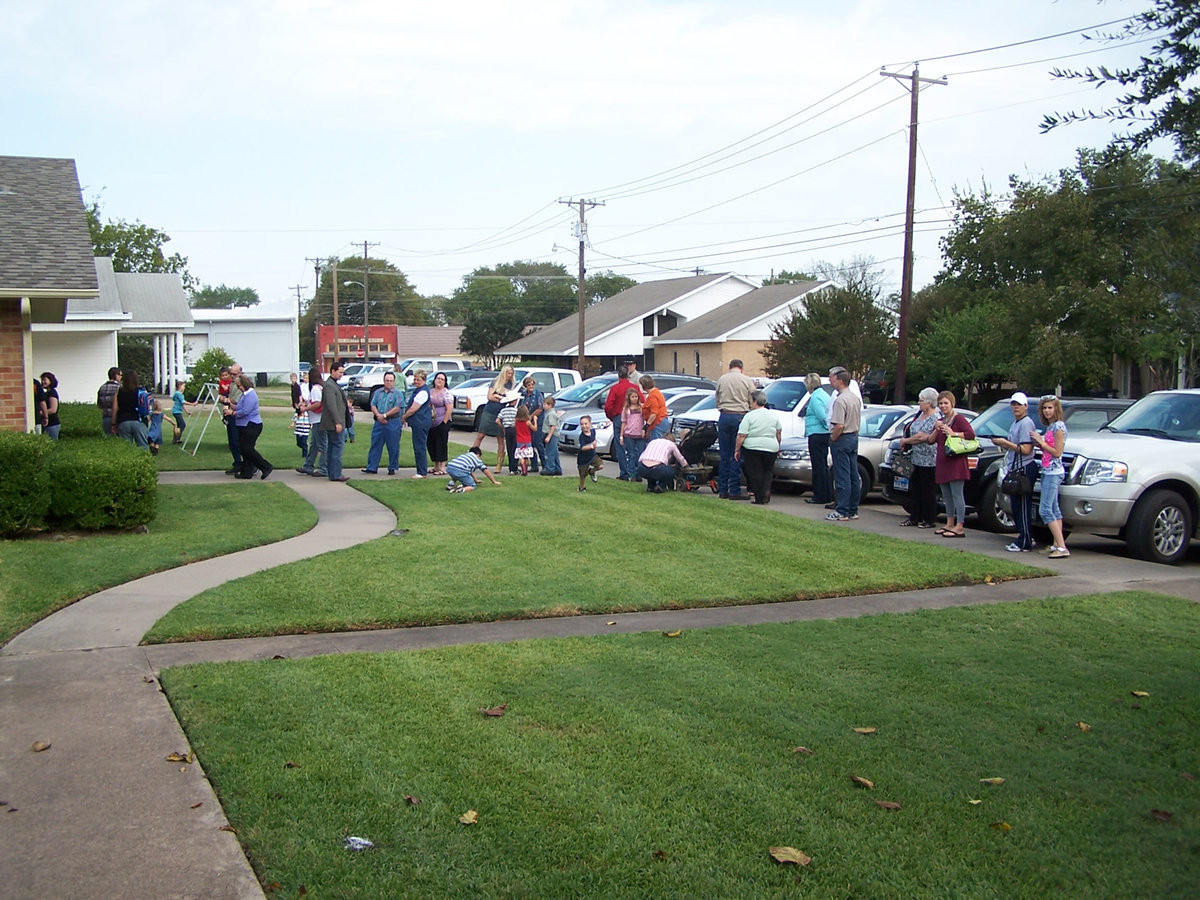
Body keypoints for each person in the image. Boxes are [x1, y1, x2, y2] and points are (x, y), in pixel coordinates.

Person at [993, 391, 1038, 551]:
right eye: (1013, 404)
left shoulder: (1026, 423)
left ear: (1026, 406)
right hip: (1015, 467)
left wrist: (1006, 443)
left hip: (1024, 468)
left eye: (1019, 404)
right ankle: (1025, 536)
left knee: (1023, 506)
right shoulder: (1016, 423)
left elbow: (1026, 449)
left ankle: (1025, 541)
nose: (1016, 407)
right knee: (1015, 506)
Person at [933, 389, 976, 539]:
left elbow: (971, 435)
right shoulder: (941, 420)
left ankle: (960, 525)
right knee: (946, 495)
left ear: (952, 403)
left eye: (946, 403)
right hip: (943, 461)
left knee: (957, 494)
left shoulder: (959, 419)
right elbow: (932, 440)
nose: (943, 406)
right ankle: (949, 522)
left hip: (956, 462)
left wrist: (954, 433)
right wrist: (937, 428)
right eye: (941, 403)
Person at [896, 387, 941, 528]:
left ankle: (929, 519)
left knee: (928, 490)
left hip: (929, 459)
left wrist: (906, 441)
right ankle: (915, 516)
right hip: (915, 458)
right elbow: (911, 430)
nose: (919, 403)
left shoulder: (935, 417)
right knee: (915, 489)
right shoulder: (919, 415)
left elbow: (922, 436)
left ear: (929, 402)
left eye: (921, 400)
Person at [1033, 395, 1070, 559]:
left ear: (1056, 409)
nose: (1047, 411)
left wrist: (1041, 443)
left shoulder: (1059, 427)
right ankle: (1056, 543)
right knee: (1054, 509)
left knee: (1045, 509)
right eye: (1044, 408)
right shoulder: (1051, 427)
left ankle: (1062, 547)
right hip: (1047, 470)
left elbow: (1057, 452)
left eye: (1050, 408)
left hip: (1054, 472)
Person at [715, 359, 756, 500]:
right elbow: (753, 399)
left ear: (730, 367)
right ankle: (734, 490)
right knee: (736, 453)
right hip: (740, 416)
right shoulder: (746, 380)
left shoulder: (722, 379)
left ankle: (722, 489)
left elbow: (717, 398)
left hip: (724, 416)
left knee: (724, 455)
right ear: (741, 369)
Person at [826, 368, 861, 521]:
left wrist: (833, 438)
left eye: (832, 378)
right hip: (853, 436)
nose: (830, 381)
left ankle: (842, 510)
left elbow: (839, 425)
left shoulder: (840, 400)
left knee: (842, 477)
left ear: (840, 380)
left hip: (843, 438)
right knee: (854, 475)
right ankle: (853, 509)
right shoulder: (855, 398)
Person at [735, 390, 781, 504]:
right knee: (767, 471)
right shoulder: (773, 415)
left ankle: (759, 498)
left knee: (755, 473)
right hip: (771, 447)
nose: (750, 404)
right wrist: (778, 444)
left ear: (755, 402)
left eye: (751, 401)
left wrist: (737, 449)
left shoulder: (749, 416)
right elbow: (778, 432)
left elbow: (741, 435)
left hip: (753, 447)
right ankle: (766, 490)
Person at [227, 374, 272, 479]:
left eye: (239, 386)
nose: (239, 388)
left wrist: (232, 413)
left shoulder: (251, 395)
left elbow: (245, 411)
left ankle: (265, 466)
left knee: (247, 448)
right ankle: (246, 472)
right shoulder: (245, 394)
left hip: (252, 425)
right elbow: (240, 407)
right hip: (244, 425)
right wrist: (231, 405)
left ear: (244, 384)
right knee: (244, 449)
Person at [603, 365, 643, 480]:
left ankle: (625, 473)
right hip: (634, 417)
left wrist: (612, 417)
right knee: (635, 448)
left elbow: (608, 406)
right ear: (628, 374)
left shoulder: (615, 388)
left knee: (621, 447)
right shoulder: (634, 387)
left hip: (619, 416)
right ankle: (636, 472)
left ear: (618, 375)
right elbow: (643, 402)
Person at [362, 371, 404, 475]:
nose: (389, 382)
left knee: (393, 445)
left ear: (394, 382)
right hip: (379, 422)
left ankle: (392, 467)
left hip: (393, 422)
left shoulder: (398, 394)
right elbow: (373, 405)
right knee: (375, 444)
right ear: (383, 381)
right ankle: (372, 467)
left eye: (391, 381)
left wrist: (385, 415)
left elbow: (397, 408)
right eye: (387, 380)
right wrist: (378, 416)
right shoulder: (378, 392)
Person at [475, 366, 516, 466]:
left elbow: (510, 398)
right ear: (504, 373)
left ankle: (499, 463)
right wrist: (500, 397)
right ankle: (473, 456)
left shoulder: (511, 384)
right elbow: (490, 396)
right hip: (489, 411)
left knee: (500, 438)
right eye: (508, 373)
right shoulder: (495, 381)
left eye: (511, 374)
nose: (509, 376)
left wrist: (498, 396)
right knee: (481, 435)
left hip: (501, 412)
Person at [803, 373, 832, 505]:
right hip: (823, 434)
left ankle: (819, 495)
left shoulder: (815, 397)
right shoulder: (825, 395)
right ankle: (826, 494)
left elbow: (821, 416)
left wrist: (827, 427)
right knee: (823, 465)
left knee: (818, 466)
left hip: (817, 434)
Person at [319, 361, 349, 481]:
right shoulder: (329, 386)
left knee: (332, 447)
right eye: (340, 372)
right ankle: (336, 473)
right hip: (334, 423)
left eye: (342, 372)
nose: (342, 374)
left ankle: (333, 473)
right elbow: (331, 406)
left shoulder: (333, 384)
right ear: (333, 371)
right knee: (337, 447)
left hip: (336, 422)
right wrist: (337, 422)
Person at [400, 370, 432, 478]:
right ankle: (421, 470)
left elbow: (414, 408)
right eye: (415, 379)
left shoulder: (423, 392)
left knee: (420, 447)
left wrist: (404, 417)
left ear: (424, 380)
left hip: (421, 422)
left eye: (418, 380)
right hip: (418, 422)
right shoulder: (418, 390)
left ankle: (422, 472)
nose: (416, 382)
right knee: (418, 446)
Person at [296, 368, 327, 476]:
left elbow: (317, 404)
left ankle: (324, 468)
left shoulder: (315, 389)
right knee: (314, 444)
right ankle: (308, 465)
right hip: (317, 420)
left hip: (318, 420)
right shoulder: (320, 387)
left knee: (323, 445)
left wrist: (305, 409)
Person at [112, 369, 149, 448]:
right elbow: (147, 407)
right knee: (143, 446)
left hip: (123, 421)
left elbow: (115, 409)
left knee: (126, 448)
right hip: (138, 421)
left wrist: (113, 424)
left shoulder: (119, 391)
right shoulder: (141, 391)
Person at [427, 372, 455, 476]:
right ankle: (436, 466)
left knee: (441, 443)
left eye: (442, 379)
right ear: (434, 380)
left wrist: (444, 422)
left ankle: (442, 467)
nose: (440, 381)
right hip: (431, 422)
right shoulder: (430, 392)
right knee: (431, 443)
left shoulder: (446, 393)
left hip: (443, 421)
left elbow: (449, 409)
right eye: (438, 378)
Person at [619, 388, 647, 481]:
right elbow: (623, 422)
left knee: (641, 455)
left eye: (636, 397)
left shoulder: (642, 407)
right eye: (632, 397)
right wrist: (621, 435)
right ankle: (632, 474)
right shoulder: (625, 409)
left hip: (640, 434)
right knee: (631, 455)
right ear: (629, 398)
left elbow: (647, 418)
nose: (634, 399)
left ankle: (640, 474)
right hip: (629, 434)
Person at [221, 363, 245, 475]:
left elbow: (235, 401)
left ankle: (249, 464)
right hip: (230, 415)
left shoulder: (243, 385)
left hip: (238, 416)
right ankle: (237, 463)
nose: (232, 376)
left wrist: (226, 400)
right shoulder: (232, 384)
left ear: (240, 373)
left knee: (238, 441)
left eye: (234, 374)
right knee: (232, 442)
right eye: (231, 374)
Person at [519, 376, 545, 473]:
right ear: (525, 386)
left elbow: (540, 408)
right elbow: (520, 406)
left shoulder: (538, 394)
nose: (531, 386)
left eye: (532, 384)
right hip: (526, 423)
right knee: (530, 444)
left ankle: (545, 465)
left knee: (538, 443)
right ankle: (534, 465)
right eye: (528, 385)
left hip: (536, 422)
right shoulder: (524, 394)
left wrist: (530, 416)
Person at [576, 414, 604, 492]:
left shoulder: (593, 431)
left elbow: (594, 439)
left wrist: (595, 443)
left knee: (600, 465)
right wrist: (591, 446)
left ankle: (592, 471)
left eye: (586, 424)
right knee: (583, 475)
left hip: (592, 455)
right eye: (582, 424)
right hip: (583, 459)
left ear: (590, 424)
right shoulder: (582, 436)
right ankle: (581, 488)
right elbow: (582, 447)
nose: (584, 426)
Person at [640, 375, 670, 441]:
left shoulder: (652, 396)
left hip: (657, 423)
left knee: (655, 445)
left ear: (644, 386)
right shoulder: (657, 392)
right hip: (662, 421)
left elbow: (654, 413)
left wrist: (646, 426)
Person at [541, 394, 563, 476]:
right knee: (554, 452)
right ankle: (557, 469)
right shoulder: (548, 413)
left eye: (545, 404)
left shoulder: (551, 414)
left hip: (552, 435)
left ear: (550, 405)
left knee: (550, 453)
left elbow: (552, 426)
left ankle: (550, 469)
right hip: (551, 435)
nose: (543, 406)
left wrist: (548, 437)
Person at [498, 393, 520, 474]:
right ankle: (514, 468)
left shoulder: (503, 410)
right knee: (515, 448)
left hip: (507, 430)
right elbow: (517, 420)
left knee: (509, 448)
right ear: (514, 401)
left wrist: (503, 426)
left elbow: (497, 420)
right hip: (514, 430)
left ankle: (511, 468)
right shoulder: (516, 410)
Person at [97, 367, 121, 436]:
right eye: (120, 375)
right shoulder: (119, 387)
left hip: (106, 417)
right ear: (116, 375)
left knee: (109, 438)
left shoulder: (102, 388)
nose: (121, 377)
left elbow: (99, 405)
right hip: (117, 417)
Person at [514, 405, 534, 475]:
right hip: (527, 440)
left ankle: (523, 470)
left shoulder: (516, 421)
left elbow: (515, 428)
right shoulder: (527, 422)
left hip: (519, 440)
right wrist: (535, 421)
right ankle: (526, 469)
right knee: (526, 456)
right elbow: (534, 429)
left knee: (521, 456)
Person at [39, 372, 61, 440]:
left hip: (52, 424)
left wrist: (41, 413)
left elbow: (53, 410)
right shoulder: (46, 393)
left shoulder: (52, 393)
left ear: (51, 381)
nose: (43, 382)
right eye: (42, 380)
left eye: (45, 380)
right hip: (46, 423)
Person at [170, 380, 190, 444]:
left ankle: (176, 439)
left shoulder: (180, 394)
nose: (184, 388)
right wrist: (193, 404)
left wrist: (186, 411)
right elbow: (183, 402)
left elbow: (182, 404)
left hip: (178, 411)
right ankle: (177, 436)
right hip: (176, 411)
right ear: (179, 386)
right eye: (183, 386)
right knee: (182, 425)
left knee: (179, 425)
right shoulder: (178, 394)